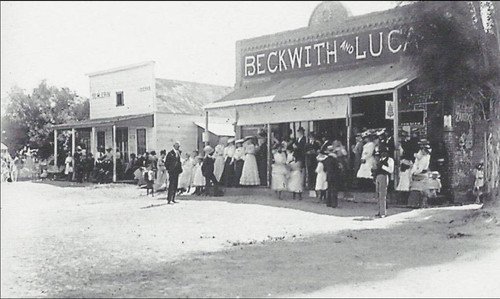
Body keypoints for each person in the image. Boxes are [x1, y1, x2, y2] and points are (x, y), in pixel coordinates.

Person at [374, 146, 394, 218]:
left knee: (382, 195)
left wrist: (382, 166)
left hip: (384, 176)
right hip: (378, 176)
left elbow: (391, 170)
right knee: (378, 195)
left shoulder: (390, 160)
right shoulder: (380, 159)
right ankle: (379, 211)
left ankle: (383, 212)